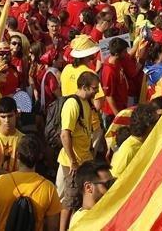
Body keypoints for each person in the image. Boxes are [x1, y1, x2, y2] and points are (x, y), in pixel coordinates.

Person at [0, 134, 62, 231]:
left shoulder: (0, 182)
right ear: (40, 156)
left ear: (18, 155)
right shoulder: (49, 188)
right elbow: (53, 226)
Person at [56, 71, 101, 223]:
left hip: (84, 160)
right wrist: (73, 161)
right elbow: (65, 134)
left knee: (78, 199)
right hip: (74, 164)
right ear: (84, 87)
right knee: (70, 200)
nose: (97, 91)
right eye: (94, 88)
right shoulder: (72, 104)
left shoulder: (86, 103)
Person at [64, 161, 114, 228]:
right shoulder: (82, 222)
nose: (113, 188)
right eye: (108, 184)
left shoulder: (100, 213)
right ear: (88, 187)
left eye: (113, 182)